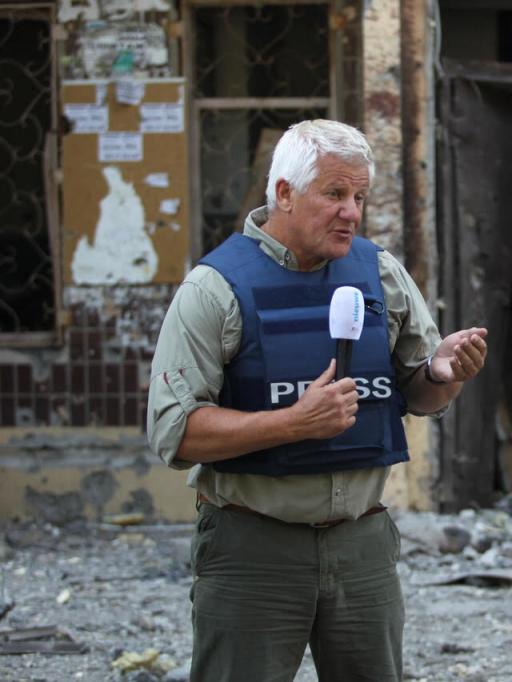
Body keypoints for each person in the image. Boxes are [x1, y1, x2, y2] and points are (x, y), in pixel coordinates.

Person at [147, 119, 487, 682]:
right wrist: (293, 423)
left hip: (363, 545)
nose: (351, 212)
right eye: (334, 194)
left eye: (360, 197)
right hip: (252, 548)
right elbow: (174, 433)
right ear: (284, 192)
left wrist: (441, 373)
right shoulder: (214, 288)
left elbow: (419, 395)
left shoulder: (380, 273)